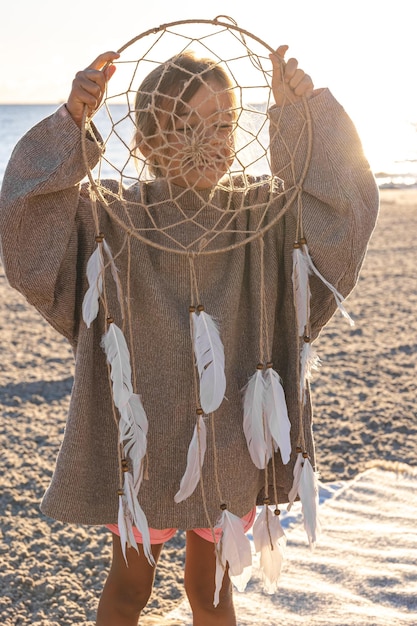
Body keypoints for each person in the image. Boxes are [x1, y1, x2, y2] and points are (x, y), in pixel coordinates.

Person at [0, 42, 379, 626]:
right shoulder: (112, 216)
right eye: (187, 124)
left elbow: (340, 216)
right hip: (141, 446)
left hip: (227, 441)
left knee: (212, 591)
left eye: (225, 123)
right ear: (146, 141)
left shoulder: (262, 216)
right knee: (130, 586)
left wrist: (304, 118)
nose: (213, 138)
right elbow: (27, 229)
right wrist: (71, 126)